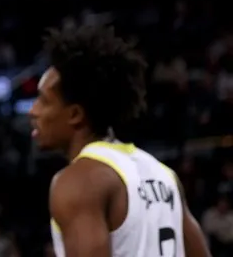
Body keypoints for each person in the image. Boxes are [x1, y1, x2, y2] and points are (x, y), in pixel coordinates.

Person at [28, 25, 211, 257]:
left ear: (75, 114)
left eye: (43, 100)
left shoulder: (79, 181)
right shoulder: (164, 175)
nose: (32, 111)